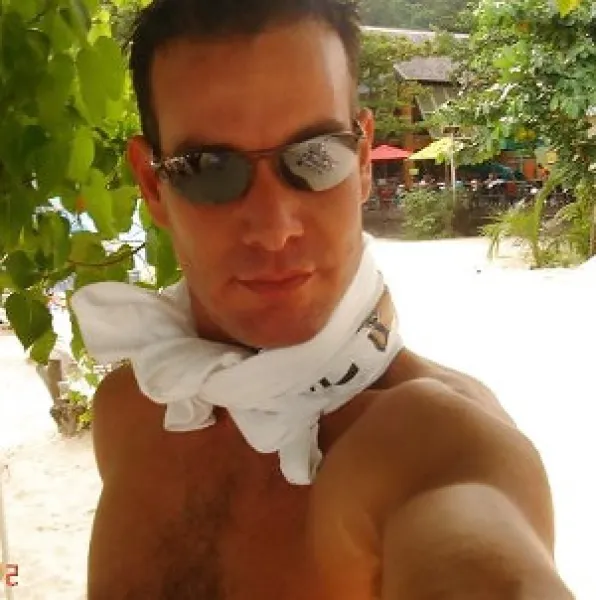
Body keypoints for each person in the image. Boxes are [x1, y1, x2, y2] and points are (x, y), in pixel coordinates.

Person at [78, 1, 573, 598]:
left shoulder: (435, 441)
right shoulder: (131, 412)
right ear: (153, 184)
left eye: (315, 156)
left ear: (361, 161)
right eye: (209, 168)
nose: (274, 228)